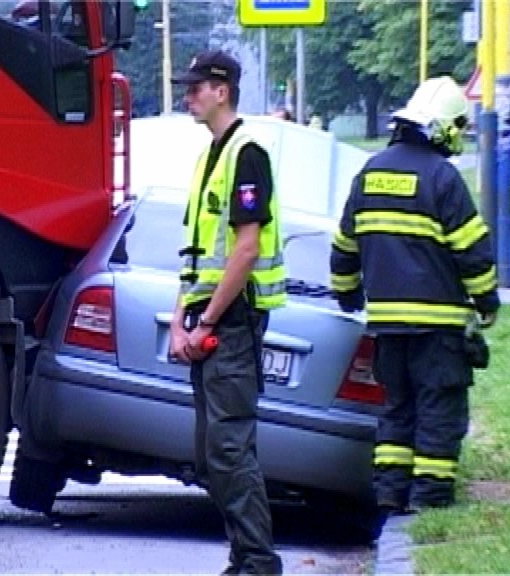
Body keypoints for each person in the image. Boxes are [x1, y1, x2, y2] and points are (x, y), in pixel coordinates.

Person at [329, 76, 499, 514]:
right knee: (439, 406)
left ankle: (390, 493)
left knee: (397, 407)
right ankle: (430, 497)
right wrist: (487, 302)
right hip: (437, 326)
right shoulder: (442, 177)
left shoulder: (370, 172)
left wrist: (347, 294)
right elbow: (471, 250)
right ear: (444, 126)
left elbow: (345, 244)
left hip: (387, 325)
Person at [169, 49, 286, 575]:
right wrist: (180, 320)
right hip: (211, 319)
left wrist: (209, 321)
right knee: (214, 454)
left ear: (222, 92)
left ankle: (257, 562)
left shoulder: (247, 152)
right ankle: (244, 559)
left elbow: (246, 250)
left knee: (229, 449)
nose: (187, 96)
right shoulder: (209, 157)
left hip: (233, 322)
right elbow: (197, 255)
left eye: (195, 88)